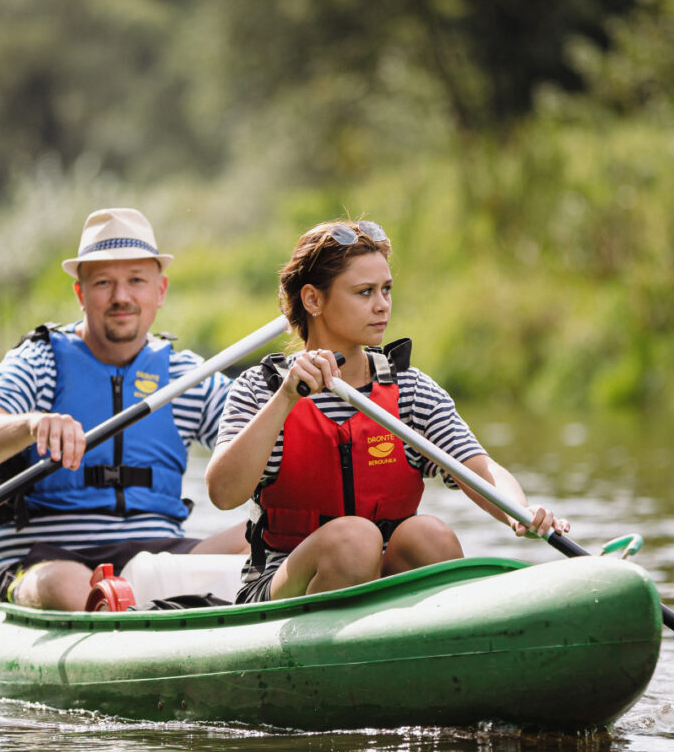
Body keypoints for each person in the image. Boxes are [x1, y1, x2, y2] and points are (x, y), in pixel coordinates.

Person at [205, 219, 570, 604]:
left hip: (387, 586)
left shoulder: (411, 391)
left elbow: (482, 470)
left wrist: (519, 512)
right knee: (354, 539)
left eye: (386, 290)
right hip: (280, 588)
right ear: (313, 300)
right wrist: (285, 399)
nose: (382, 305)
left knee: (430, 535)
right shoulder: (261, 390)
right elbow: (223, 494)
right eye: (364, 292)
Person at [0, 207, 246, 610]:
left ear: (160, 290)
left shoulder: (185, 374)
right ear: (81, 294)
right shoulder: (40, 362)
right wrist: (31, 425)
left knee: (265, 535)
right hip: (51, 558)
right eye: (104, 282)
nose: (121, 297)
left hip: (162, 555)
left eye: (136, 281)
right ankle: (118, 617)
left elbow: (264, 439)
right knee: (64, 584)